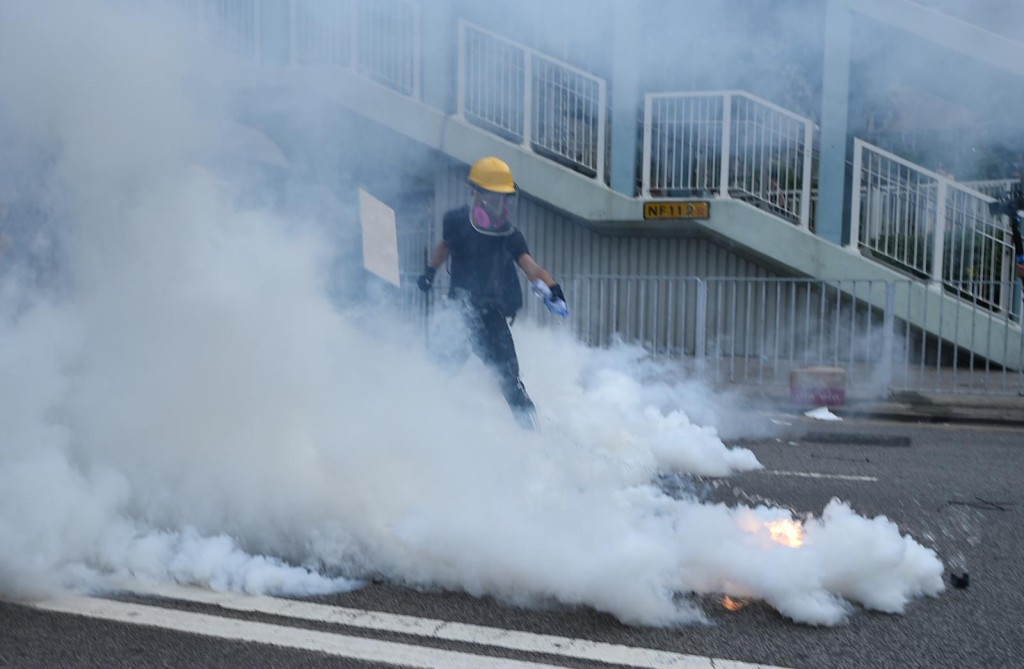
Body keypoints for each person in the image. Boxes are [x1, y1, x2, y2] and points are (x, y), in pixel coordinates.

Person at [417, 156, 566, 429]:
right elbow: (444, 247)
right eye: (495, 197)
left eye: (506, 198)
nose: (502, 204)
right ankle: (416, 427)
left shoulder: (509, 234)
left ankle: (532, 439)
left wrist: (553, 288)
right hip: (460, 314)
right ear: (477, 194)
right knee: (436, 373)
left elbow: (531, 267)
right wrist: (429, 272)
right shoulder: (457, 222)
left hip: (491, 318)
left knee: (511, 383)